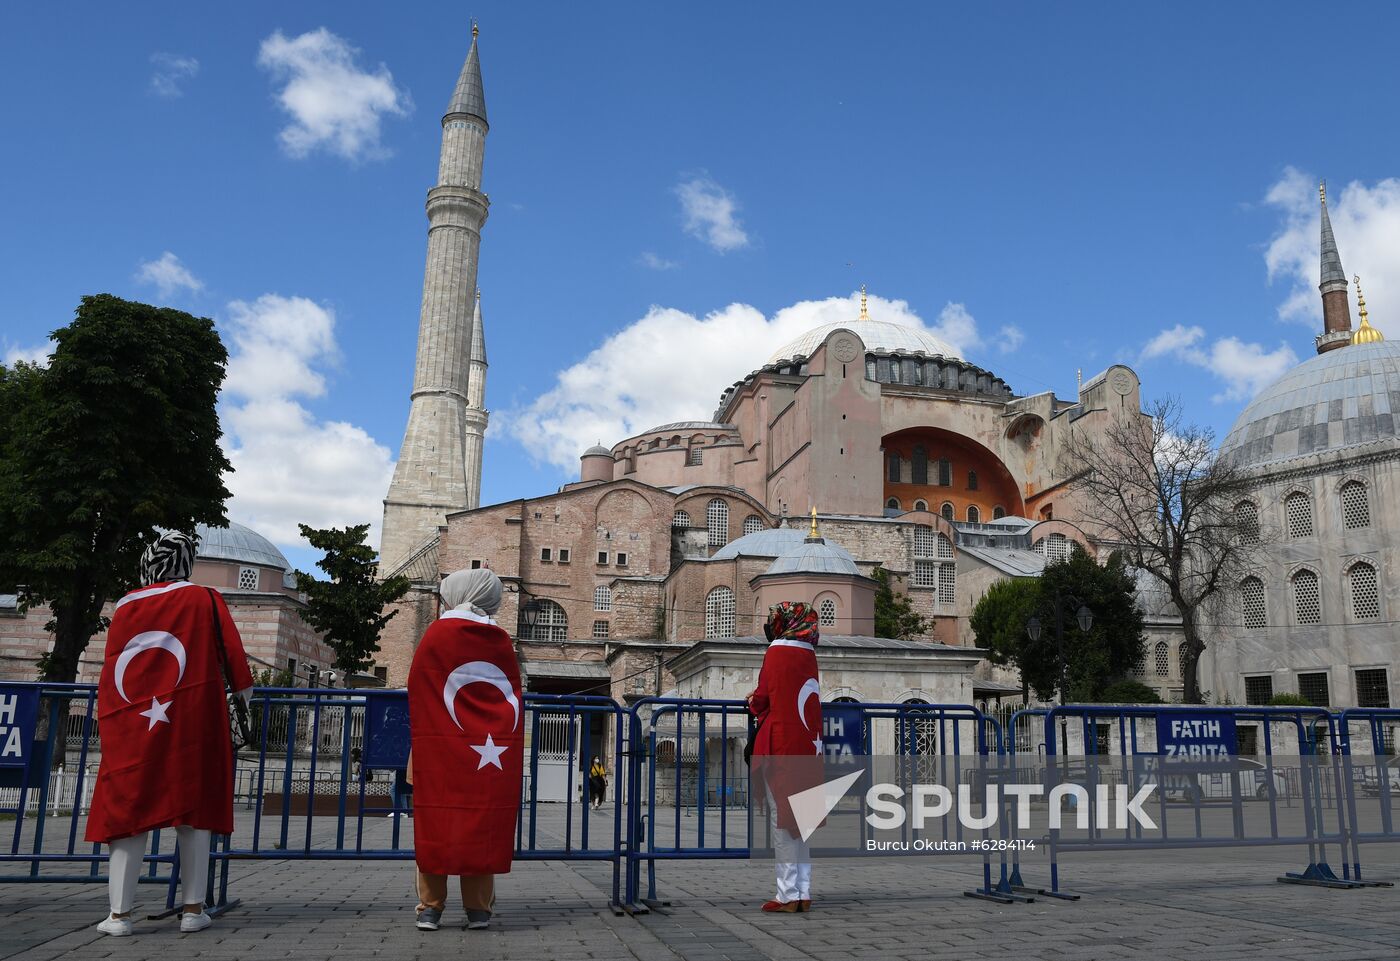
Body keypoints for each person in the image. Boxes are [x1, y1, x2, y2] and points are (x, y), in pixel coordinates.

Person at [86, 531, 254, 937]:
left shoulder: (126, 603)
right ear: (186, 562)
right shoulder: (205, 599)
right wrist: (244, 706)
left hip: (131, 722)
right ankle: (193, 910)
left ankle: (119, 916)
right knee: (193, 810)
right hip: (194, 719)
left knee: (129, 808)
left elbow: (112, 667)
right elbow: (235, 663)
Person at [406, 569, 522, 932]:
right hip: (487, 751)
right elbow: (508, 693)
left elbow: (418, 684)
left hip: (438, 746)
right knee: (481, 823)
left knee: (435, 821)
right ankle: (478, 910)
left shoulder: (437, 633)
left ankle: (430, 908)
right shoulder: (499, 638)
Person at [747, 601, 823, 913]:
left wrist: (751, 701)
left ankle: (786, 894)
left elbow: (763, 699)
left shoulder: (777, 651)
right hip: (808, 746)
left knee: (781, 821)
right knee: (800, 821)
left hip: (780, 745)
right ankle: (803, 892)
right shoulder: (809, 653)